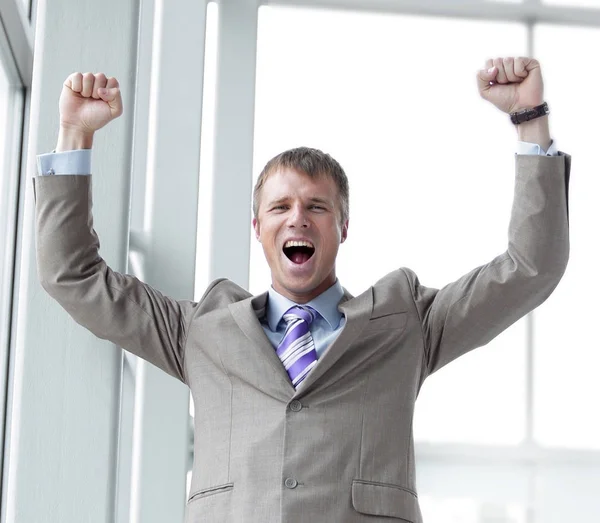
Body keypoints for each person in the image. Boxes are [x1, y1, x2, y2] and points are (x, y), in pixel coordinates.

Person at [34, 57, 570, 523]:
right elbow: (74, 275)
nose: (299, 220)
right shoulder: (199, 332)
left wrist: (530, 122)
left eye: (317, 207)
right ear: (258, 227)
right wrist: (75, 135)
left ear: (343, 227)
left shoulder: (407, 323)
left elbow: (529, 267)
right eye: (280, 208)